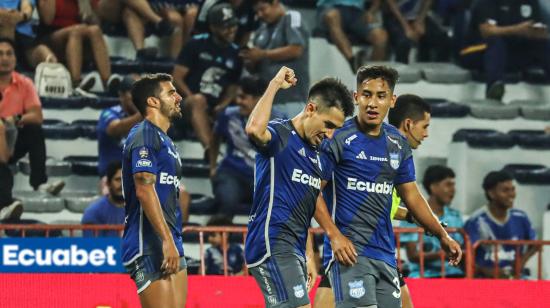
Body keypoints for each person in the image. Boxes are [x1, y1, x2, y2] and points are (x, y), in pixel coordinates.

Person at [317, 66, 461, 308]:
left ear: (391, 100)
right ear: (356, 97)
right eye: (367, 94)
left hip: (385, 255)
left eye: (381, 96)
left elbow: (412, 196)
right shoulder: (338, 138)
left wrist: (442, 235)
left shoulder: (397, 143)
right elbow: (312, 192)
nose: (372, 103)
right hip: (350, 253)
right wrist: (334, 236)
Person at [245, 66, 357, 308]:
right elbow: (254, 129)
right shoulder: (280, 134)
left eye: (335, 129)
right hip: (272, 242)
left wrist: (307, 256)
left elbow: (304, 208)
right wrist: (274, 84)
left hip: (293, 248)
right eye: (328, 124)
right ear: (310, 108)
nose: (329, 135)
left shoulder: (317, 155)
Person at [314, 93, 432, 308]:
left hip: (373, 245)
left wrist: (414, 217)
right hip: (358, 244)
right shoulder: (383, 150)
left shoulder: (396, 154)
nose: (426, 134)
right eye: (424, 126)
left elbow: (384, 204)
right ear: (408, 123)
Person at [121, 73, 187, 307]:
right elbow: (144, 190)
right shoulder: (144, 134)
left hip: (170, 240)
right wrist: (166, 239)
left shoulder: (167, 141)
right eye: (171, 92)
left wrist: (172, 240)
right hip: (148, 242)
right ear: (153, 101)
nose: (179, 97)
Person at [172, 2, 242, 154]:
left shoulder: (236, 53)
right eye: (226, 27)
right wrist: (192, 98)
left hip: (215, 106)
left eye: (233, 25)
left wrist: (223, 104)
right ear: (213, 27)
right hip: (185, 104)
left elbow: (233, 86)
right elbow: (177, 77)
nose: (231, 30)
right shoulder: (195, 44)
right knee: (199, 101)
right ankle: (211, 150)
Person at [0, 38, 64, 204]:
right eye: (0, 54)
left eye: (9, 54)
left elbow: (37, 116)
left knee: (34, 130)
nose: (5, 58)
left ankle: (39, 183)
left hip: (12, 134)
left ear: (15, 59)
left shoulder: (25, 83)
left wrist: (15, 118)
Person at [209, 76, 274, 219]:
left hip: (261, 176)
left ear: (259, 99)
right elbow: (214, 138)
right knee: (228, 199)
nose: (238, 102)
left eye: (243, 98)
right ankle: (220, 238)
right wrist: (213, 166)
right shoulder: (228, 115)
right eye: (238, 97)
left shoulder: (277, 119)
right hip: (232, 172)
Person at [460, 0, 550, 101]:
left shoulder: (530, 2)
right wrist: (518, 30)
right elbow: (487, 31)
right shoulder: (485, 2)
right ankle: (494, 87)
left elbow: (537, 27)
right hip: (479, 51)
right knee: (496, 41)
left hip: (510, 54)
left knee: (542, 43)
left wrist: (539, 33)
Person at [241, 0, 309, 117]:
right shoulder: (261, 29)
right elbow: (255, 65)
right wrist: (250, 60)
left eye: (263, 9)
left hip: (291, 100)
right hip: (266, 101)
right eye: (257, 12)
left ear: (276, 3)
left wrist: (262, 54)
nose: (260, 15)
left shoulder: (291, 17)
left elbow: (296, 49)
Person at [464, 170, 537, 279]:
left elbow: (535, 245)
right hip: (485, 280)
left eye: (513, 189)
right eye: (505, 190)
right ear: (491, 193)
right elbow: (464, 256)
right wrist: (485, 271)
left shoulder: (521, 217)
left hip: (516, 278)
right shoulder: (476, 221)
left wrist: (520, 264)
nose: (511, 194)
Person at [400, 165, 464, 278]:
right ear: (433, 187)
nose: (453, 190)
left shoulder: (456, 216)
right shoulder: (412, 215)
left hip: (453, 274)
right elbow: (413, 255)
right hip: (423, 276)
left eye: (454, 185)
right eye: (448, 185)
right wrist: (445, 253)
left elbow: (463, 248)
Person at [316, 0, 388, 71]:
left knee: (381, 36)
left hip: (357, 12)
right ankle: (353, 62)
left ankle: (370, 72)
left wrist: (371, 12)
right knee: (332, 15)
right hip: (330, 7)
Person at [97, 74, 142, 177]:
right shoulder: (109, 113)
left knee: (180, 191)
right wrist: (142, 114)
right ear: (121, 95)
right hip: (112, 178)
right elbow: (114, 128)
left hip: (141, 177)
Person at [384, 0, 452, 63]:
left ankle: (430, 67)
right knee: (403, 42)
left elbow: (427, 2)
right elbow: (392, 6)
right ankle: (401, 69)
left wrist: (420, 21)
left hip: (418, 17)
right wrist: (407, 28)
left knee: (441, 39)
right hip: (396, 18)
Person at [0, 0, 57, 68]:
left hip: (26, 40)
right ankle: (11, 67)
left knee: (46, 55)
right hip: (3, 35)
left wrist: (22, 16)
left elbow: (27, 8)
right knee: (7, 23)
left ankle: (56, 73)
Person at [82, 160, 125, 237]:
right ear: (108, 183)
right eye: (118, 180)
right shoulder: (93, 212)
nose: (122, 184)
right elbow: (92, 246)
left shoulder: (139, 210)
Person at [195, 0, 259, 47]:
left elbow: (248, 32)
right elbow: (199, 30)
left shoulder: (252, 4)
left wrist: (236, 51)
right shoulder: (210, 2)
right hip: (209, 44)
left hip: (235, 46)